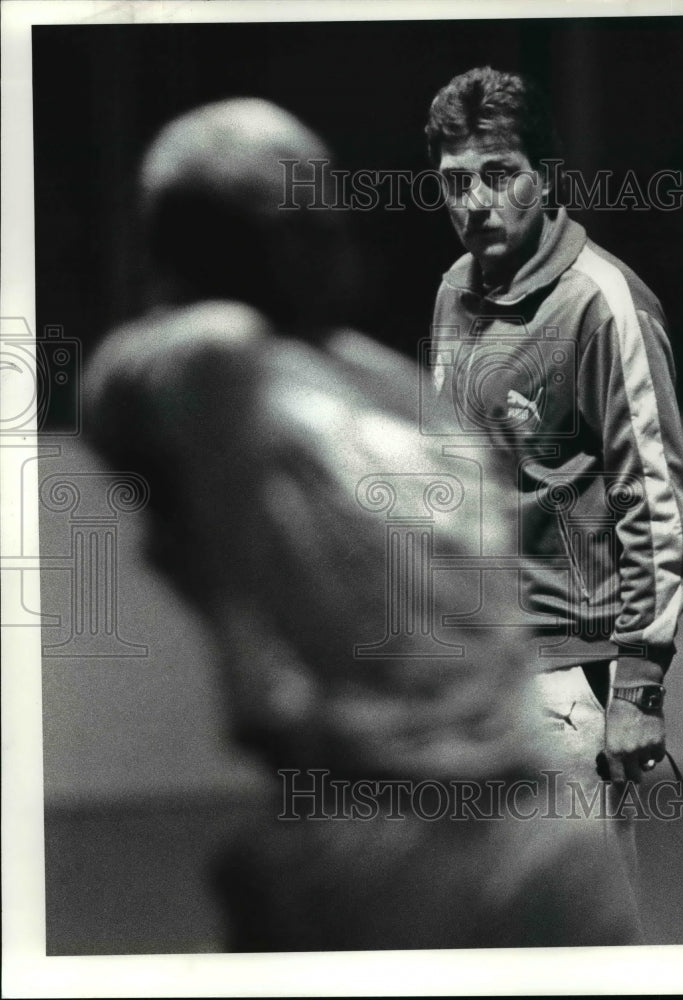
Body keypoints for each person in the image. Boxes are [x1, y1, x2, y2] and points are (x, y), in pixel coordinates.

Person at [86, 96, 647, 949]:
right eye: (296, 217)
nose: (333, 235)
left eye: (327, 207)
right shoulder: (179, 374)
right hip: (372, 818)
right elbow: (201, 356)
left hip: (535, 809)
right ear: (217, 247)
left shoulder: (371, 384)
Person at [425, 67, 683, 864]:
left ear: (549, 180)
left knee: (579, 950)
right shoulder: (451, 290)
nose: (474, 202)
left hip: (569, 682)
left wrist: (638, 688)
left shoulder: (601, 301)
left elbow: (654, 500)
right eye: (453, 182)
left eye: (499, 175)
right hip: (476, 672)